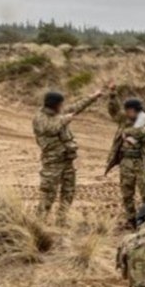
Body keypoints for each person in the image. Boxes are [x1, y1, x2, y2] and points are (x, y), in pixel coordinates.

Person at [32, 88, 105, 226]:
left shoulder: (58, 114)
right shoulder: (40, 118)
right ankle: (39, 223)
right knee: (48, 194)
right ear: (54, 104)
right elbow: (50, 128)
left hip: (67, 160)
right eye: (60, 104)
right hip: (52, 162)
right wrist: (65, 119)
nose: (62, 107)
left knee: (68, 192)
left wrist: (93, 97)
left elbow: (76, 107)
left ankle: (62, 221)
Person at [106, 85, 145, 226]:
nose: (126, 113)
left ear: (134, 110)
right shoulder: (125, 119)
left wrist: (128, 132)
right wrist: (112, 95)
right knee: (127, 192)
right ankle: (131, 219)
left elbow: (144, 132)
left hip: (142, 162)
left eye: (128, 110)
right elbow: (113, 112)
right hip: (127, 161)